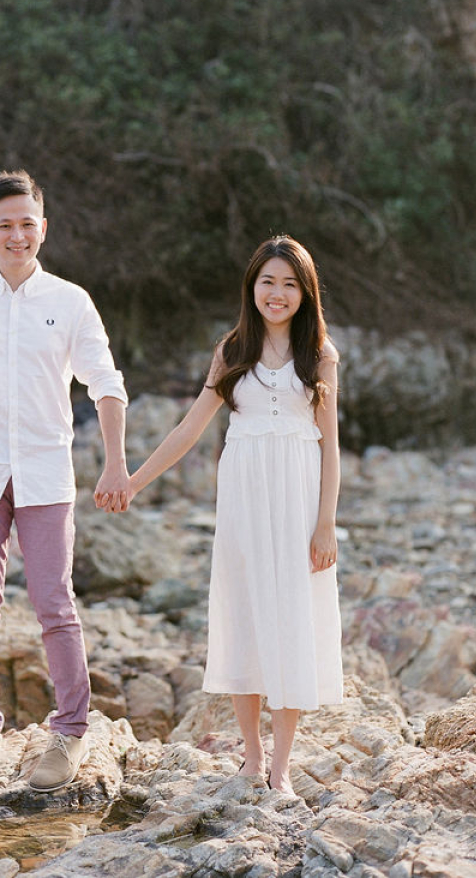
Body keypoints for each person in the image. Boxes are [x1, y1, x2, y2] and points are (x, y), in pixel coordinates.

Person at [0, 169, 129, 794]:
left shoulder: (71, 301)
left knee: (55, 603)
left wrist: (115, 462)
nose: (17, 235)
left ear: (43, 228)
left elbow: (105, 383)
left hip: (46, 472)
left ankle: (70, 733)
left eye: (26, 224)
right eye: (4, 225)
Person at [126, 236, 343, 794]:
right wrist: (134, 481)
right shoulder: (232, 351)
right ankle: (251, 758)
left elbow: (331, 446)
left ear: (306, 292)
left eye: (290, 284)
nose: (277, 293)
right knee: (245, 614)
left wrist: (326, 523)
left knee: (292, 618)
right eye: (268, 281)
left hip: (298, 502)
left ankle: (281, 768)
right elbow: (189, 429)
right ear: (252, 287)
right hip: (244, 500)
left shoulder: (319, 354)